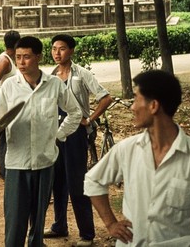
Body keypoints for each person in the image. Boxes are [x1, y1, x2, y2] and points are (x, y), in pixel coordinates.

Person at [0, 35, 82, 247]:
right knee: (15, 221)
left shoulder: (53, 85)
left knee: (38, 220)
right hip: (16, 163)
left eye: (27, 57)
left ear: (38, 57)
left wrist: (58, 135)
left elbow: (75, 113)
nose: (21, 63)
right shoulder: (9, 86)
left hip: (45, 162)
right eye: (18, 57)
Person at [84, 69, 190, 246]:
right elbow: (93, 181)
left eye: (136, 99)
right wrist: (111, 223)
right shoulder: (127, 149)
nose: (132, 107)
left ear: (153, 106)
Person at [44, 34, 112, 247]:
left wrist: (90, 119)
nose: (57, 53)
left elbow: (105, 97)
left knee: (76, 181)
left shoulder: (81, 74)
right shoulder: (51, 76)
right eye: (54, 49)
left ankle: (87, 233)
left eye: (62, 48)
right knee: (57, 181)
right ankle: (59, 225)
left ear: (71, 51)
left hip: (76, 132)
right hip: (56, 132)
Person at [0, 30, 20, 178]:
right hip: (5, 105)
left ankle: (9, 168)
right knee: (4, 138)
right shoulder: (5, 60)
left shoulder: (9, 58)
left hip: (10, 103)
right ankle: (4, 171)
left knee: (9, 136)